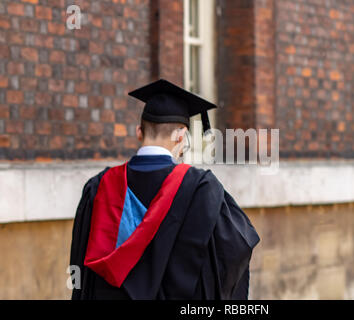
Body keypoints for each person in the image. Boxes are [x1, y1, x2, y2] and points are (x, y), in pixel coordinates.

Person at [69, 79, 260, 300]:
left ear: (139, 132)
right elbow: (234, 251)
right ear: (181, 136)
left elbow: (79, 269)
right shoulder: (201, 189)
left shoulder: (99, 187)